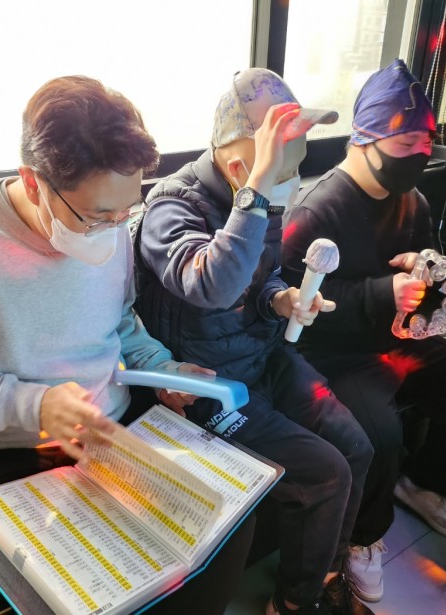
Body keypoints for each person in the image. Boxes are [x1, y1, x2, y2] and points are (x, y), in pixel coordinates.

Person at [0, 75, 254, 615]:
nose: (115, 228)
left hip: (115, 428)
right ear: (33, 183)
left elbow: (118, 320)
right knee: (110, 578)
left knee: (228, 526)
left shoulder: (113, 221)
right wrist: (35, 405)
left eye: (126, 211)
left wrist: (160, 366)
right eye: (97, 216)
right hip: (12, 449)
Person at [134, 67, 375, 615]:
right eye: (279, 161)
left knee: (356, 447)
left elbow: (260, 275)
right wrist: (256, 193)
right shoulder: (171, 206)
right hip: (209, 388)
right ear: (239, 162)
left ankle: (325, 573)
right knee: (325, 472)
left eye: (292, 162)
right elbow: (212, 285)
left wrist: (281, 299)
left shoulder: (263, 192)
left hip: (264, 356)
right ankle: (294, 604)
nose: (292, 177)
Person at [280, 59, 446, 602]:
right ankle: (364, 539)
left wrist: (431, 281)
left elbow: (430, 270)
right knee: (381, 435)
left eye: (427, 144)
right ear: (363, 138)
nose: (419, 156)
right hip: (336, 351)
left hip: (402, 339)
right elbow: (292, 306)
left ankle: (426, 484)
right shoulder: (315, 211)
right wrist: (384, 292)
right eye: (406, 144)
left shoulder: (414, 200)